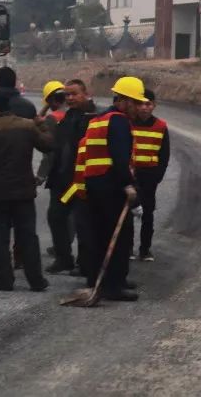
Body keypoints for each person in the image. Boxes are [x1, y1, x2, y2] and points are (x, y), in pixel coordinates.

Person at [62, 76, 143, 301]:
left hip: (94, 184)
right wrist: (128, 184)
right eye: (135, 103)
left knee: (99, 235)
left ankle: (99, 279)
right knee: (120, 237)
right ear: (124, 101)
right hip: (111, 185)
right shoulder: (118, 121)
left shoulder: (100, 119)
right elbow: (119, 158)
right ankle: (113, 286)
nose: (138, 108)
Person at [0, 91, 53, 292]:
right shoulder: (27, 126)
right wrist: (41, 124)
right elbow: (48, 145)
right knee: (28, 237)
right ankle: (36, 281)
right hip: (23, 192)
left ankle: (4, 281)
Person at [45, 79, 96, 275]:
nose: (70, 98)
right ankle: (64, 258)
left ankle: (85, 263)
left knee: (84, 222)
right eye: (67, 95)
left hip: (81, 181)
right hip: (64, 181)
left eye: (74, 94)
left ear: (85, 93)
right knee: (56, 216)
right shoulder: (68, 117)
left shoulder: (93, 118)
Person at [130, 88, 170, 262]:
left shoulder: (161, 126)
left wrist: (157, 175)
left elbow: (164, 154)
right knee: (129, 211)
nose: (144, 108)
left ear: (154, 106)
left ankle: (145, 250)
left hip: (149, 175)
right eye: (140, 104)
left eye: (148, 104)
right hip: (131, 174)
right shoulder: (128, 123)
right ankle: (127, 249)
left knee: (147, 212)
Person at [34, 81, 68, 187]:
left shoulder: (52, 118)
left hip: (59, 171)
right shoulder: (76, 113)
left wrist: (40, 176)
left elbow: (49, 153)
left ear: (51, 100)